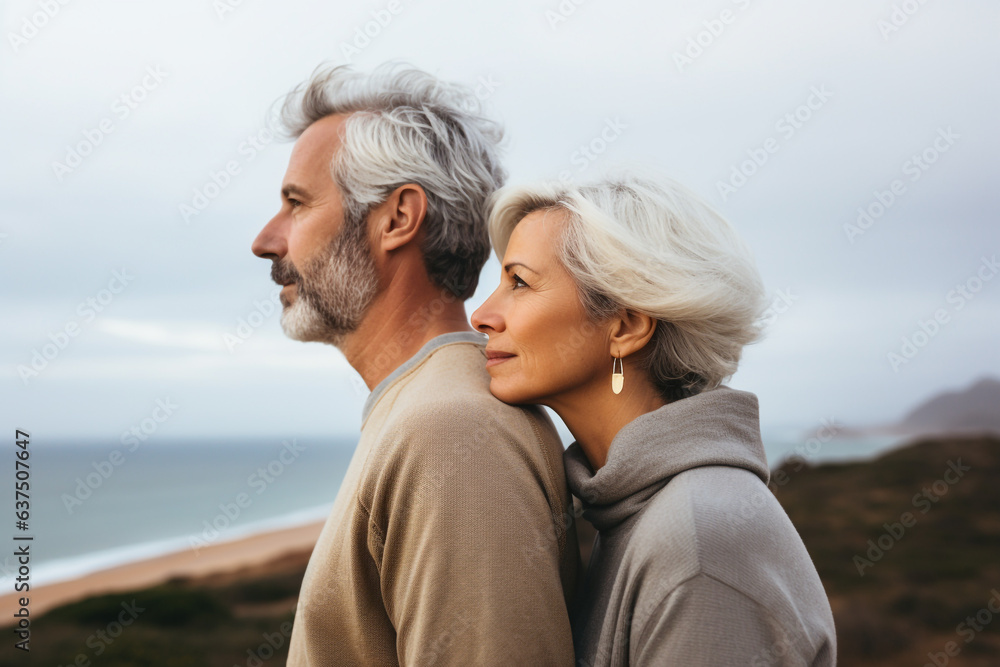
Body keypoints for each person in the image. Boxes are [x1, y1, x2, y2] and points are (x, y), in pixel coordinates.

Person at [251, 63, 578, 666]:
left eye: (296, 205)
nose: (266, 240)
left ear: (398, 218)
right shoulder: (427, 409)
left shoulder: (451, 433)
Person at [471, 173, 837, 666]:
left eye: (519, 282)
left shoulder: (701, 544)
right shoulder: (637, 511)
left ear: (625, 326)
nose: (482, 315)